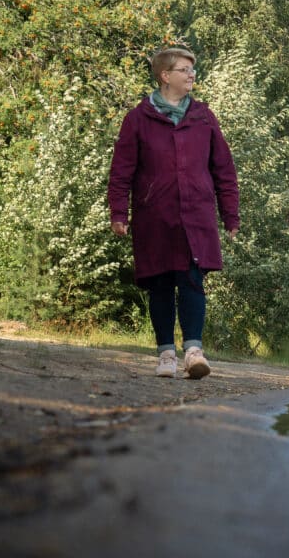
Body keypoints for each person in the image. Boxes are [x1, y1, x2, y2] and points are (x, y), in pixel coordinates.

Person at [107, 46, 240, 379]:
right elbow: (121, 170)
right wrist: (118, 213)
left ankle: (194, 352)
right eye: (184, 69)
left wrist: (231, 215)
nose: (191, 75)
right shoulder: (138, 119)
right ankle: (166, 354)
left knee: (193, 281)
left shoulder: (204, 117)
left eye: (192, 70)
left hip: (196, 215)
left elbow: (223, 168)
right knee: (161, 283)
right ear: (165, 76)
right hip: (155, 215)